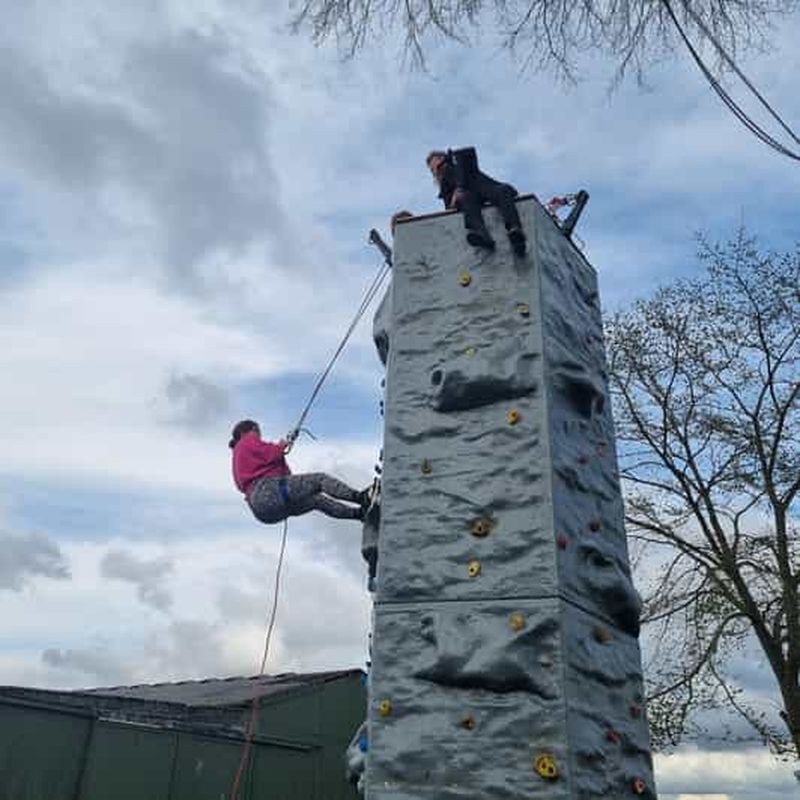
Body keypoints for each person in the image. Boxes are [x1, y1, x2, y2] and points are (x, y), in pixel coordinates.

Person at [229, 420, 369, 524]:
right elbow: (271, 453)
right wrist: (282, 445)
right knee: (319, 480)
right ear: (248, 430)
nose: (259, 437)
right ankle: (360, 497)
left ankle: (359, 514)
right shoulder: (247, 440)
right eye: (257, 432)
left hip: (261, 510)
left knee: (317, 500)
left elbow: (272, 466)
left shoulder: (237, 455)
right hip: (268, 492)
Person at [426, 148, 526, 256]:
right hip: (470, 199)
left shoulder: (457, 163)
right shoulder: (445, 186)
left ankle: (515, 231)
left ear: (442, 158)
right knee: (466, 198)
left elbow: (466, 155)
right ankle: (482, 235)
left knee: (503, 190)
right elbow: (449, 209)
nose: (433, 170)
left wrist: (459, 187)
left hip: (482, 187)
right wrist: (454, 200)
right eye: (431, 170)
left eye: (433, 165)